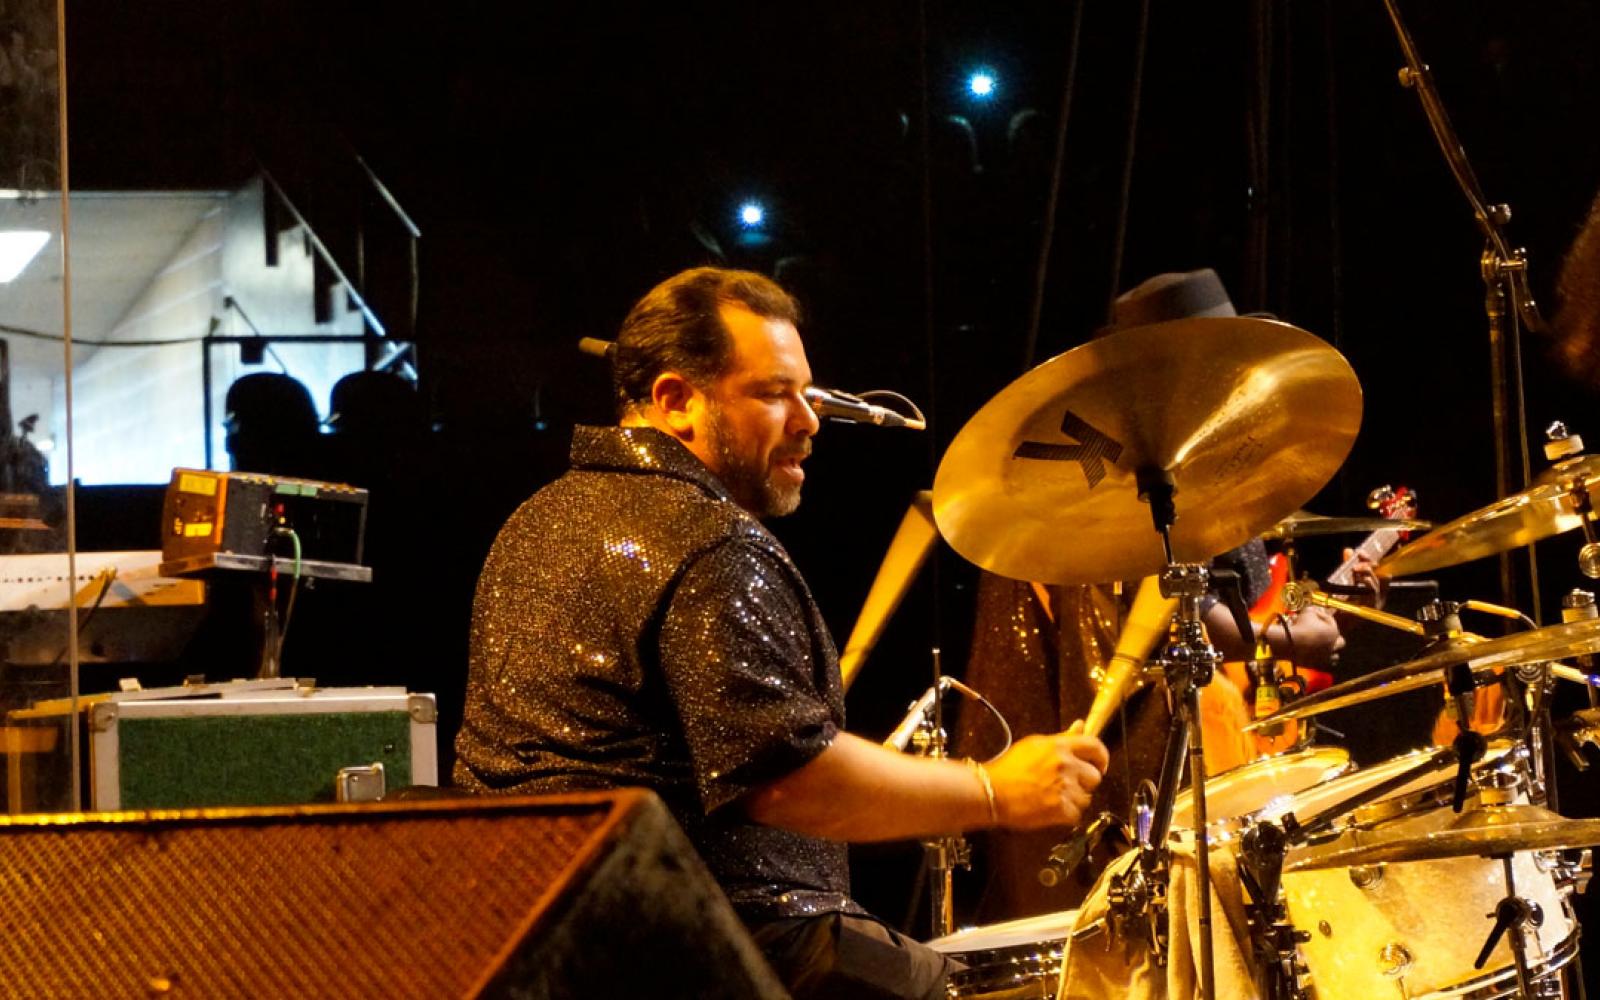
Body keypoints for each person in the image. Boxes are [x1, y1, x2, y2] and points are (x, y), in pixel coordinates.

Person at [452, 266, 1110, 1000]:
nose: (810, 421)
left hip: (545, 944)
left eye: (808, 392)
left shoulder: (537, 520)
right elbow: (789, 781)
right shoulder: (709, 543)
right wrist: (993, 790)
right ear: (676, 401)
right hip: (714, 948)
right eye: (773, 394)